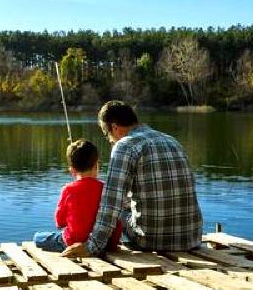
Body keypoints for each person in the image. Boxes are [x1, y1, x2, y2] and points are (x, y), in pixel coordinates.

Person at [62, 100, 203, 258]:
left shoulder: (124, 146)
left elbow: (111, 203)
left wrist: (92, 246)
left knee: (116, 204)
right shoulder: (171, 140)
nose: (109, 140)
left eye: (106, 134)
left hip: (151, 239)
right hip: (190, 238)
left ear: (114, 127)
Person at [33, 139, 123, 252]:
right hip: (105, 244)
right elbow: (117, 221)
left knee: (38, 238)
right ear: (96, 165)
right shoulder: (107, 189)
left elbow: (59, 222)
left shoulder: (68, 190)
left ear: (72, 170)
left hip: (72, 242)